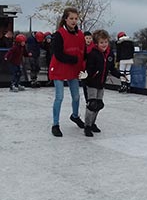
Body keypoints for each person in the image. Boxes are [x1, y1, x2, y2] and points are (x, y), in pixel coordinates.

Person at [49, 7, 86, 137]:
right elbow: (58, 54)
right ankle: (55, 124)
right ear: (65, 19)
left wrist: (83, 67)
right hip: (59, 68)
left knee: (76, 96)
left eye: (76, 18)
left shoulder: (80, 34)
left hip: (73, 69)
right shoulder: (58, 34)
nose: (74, 21)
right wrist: (73, 59)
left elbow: (83, 52)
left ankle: (75, 116)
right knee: (59, 97)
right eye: (71, 18)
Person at [82, 29, 124, 137]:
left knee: (99, 104)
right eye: (101, 42)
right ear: (96, 43)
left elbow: (111, 68)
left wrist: (120, 75)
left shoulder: (109, 54)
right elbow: (89, 68)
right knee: (92, 104)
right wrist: (87, 75)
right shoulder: (93, 54)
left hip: (101, 83)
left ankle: (92, 123)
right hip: (91, 83)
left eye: (106, 42)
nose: (104, 44)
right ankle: (87, 126)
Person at [82, 31, 94, 102]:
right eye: (87, 38)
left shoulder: (94, 48)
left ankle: (91, 100)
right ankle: (88, 101)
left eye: (90, 38)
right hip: (83, 70)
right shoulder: (81, 47)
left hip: (91, 71)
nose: (88, 40)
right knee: (85, 87)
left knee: (91, 87)